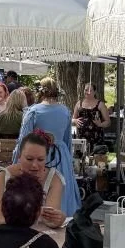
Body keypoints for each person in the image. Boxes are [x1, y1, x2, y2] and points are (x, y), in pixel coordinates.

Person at [13, 77, 81, 219]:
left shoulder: (33, 111)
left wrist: (17, 160)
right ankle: (62, 218)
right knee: (62, 188)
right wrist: (69, 161)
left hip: (40, 155)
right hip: (62, 157)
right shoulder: (65, 111)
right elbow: (68, 139)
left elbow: (24, 140)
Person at [0, 131, 66, 228]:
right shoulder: (3, 176)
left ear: (46, 158)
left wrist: (58, 219)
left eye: (40, 160)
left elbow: (50, 221)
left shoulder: (54, 179)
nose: (34, 165)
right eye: (29, 159)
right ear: (19, 157)